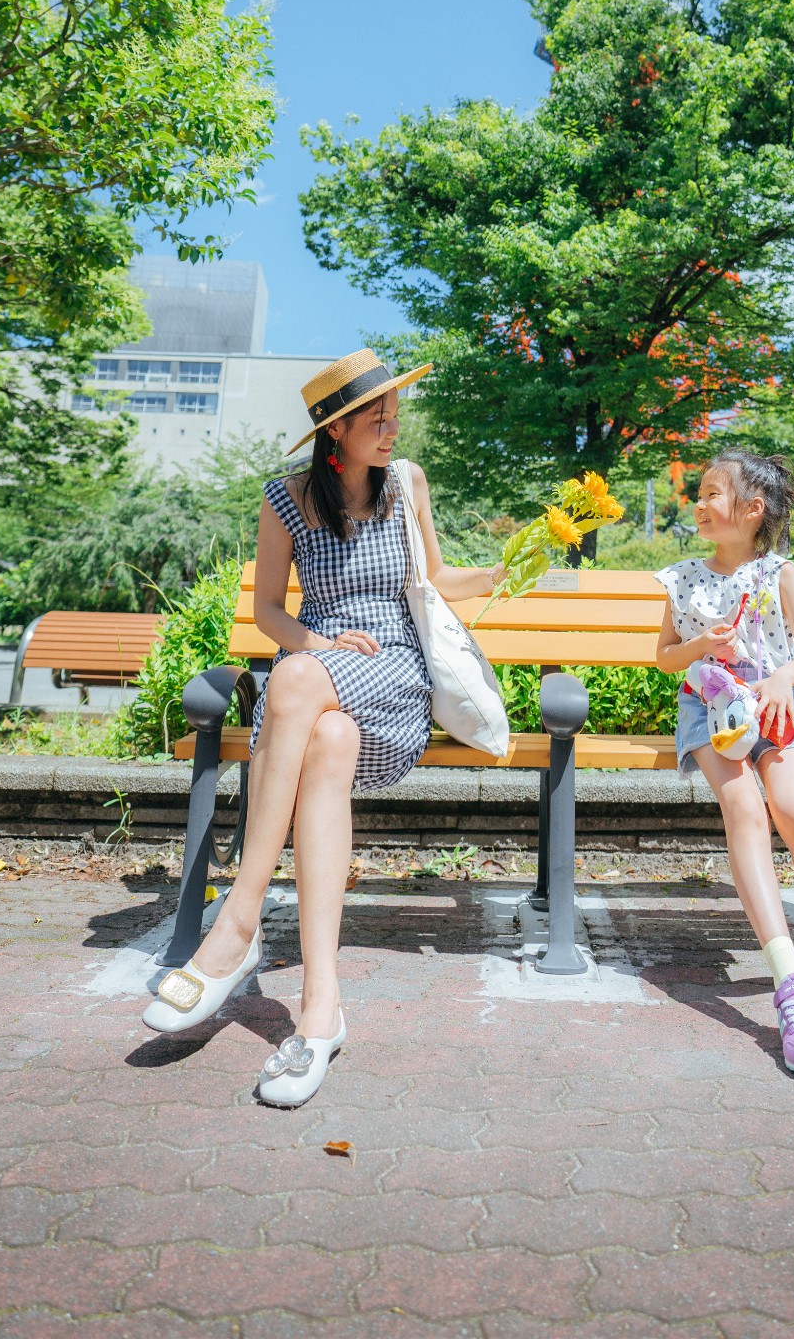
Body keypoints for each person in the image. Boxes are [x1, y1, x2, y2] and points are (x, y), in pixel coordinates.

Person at [141, 350, 501, 1107]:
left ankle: (238, 920)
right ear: (334, 430)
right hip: (320, 693)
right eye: (377, 417)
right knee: (321, 731)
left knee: (296, 682)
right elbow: (271, 611)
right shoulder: (287, 500)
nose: (392, 427)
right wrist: (318, 643)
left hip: (394, 675)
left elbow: (431, 583)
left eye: (394, 414)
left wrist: (511, 571)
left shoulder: (406, 485)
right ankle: (321, 1008)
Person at [655, 449, 794, 1072]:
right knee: (745, 808)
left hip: (774, 709)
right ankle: (790, 986)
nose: (699, 503)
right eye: (699, 493)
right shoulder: (682, 578)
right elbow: (666, 657)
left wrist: (781, 681)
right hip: (710, 711)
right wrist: (699, 645)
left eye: (713, 494)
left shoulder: (780, 574)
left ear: (752, 510)